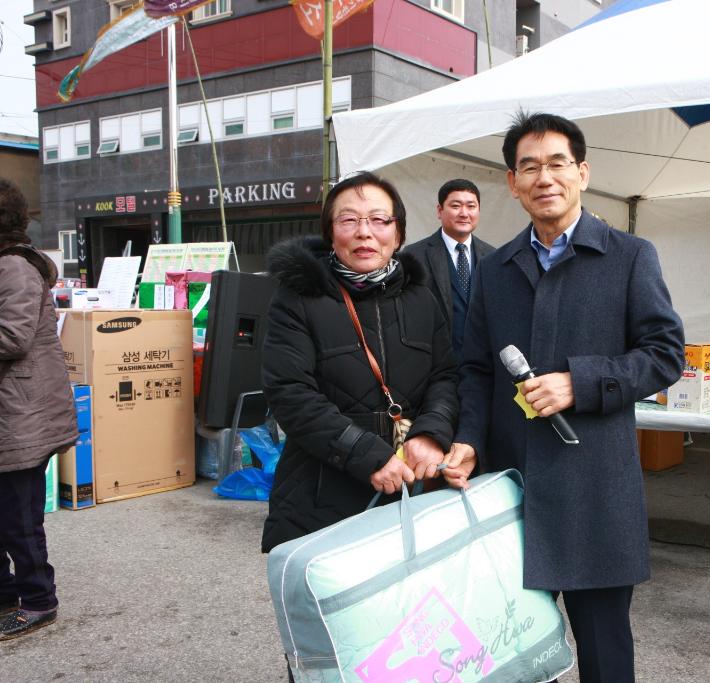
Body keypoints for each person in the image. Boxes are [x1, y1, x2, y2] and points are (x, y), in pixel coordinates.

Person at [443, 112, 685, 681]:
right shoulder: (496, 268)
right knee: (512, 649)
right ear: (513, 182)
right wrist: (469, 439)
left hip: (595, 489)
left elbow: (665, 353)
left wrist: (581, 382)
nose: (544, 178)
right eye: (529, 167)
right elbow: (475, 369)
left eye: (557, 163)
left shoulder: (630, 256)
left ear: (582, 172)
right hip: (513, 486)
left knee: (604, 651)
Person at [260, 172, 459, 552]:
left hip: (413, 484)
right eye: (349, 220)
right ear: (330, 232)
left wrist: (431, 434)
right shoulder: (298, 298)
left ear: (398, 233)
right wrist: (366, 454)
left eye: (379, 220)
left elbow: (445, 376)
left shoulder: (421, 296)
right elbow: (289, 391)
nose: (364, 232)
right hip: (320, 490)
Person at [0, 178, 78, 640]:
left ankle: (38, 601)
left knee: (18, 519)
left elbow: (13, 337)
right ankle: (6, 594)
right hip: (11, 412)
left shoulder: (14, 267)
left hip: (21, 415)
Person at [403, 179, 496, 360]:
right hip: (434, 362)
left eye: (471, 206)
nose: (464, 213)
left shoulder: (493, 256)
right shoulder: (414, 255)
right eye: (455, 206)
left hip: (482, 364)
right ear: (440, 211)